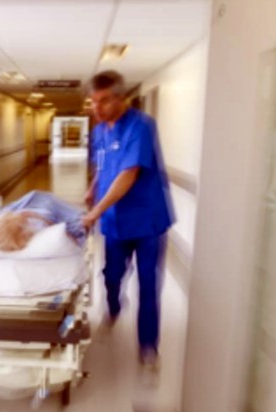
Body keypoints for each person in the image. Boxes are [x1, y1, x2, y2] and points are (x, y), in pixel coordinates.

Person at [81, 70, 174, 369]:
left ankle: (148, 348)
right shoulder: (99, 132)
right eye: (93, 101)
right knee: (111, 275)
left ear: (122, 98)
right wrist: (92, 188)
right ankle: (114, 308)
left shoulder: (142, 126)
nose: (97, 108)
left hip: (147, 221)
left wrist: (95, 211)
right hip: (115, 221)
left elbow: (128, 173)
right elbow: (103, 167)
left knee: (149, 285)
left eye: (104, 101)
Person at [0, 190, 87, 251]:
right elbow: (71, 241)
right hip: (42, 209)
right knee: (45, 200)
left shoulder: (1, 228)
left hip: (22, 208)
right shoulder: (37, 229)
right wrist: (41, 219)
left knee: (39, 197)